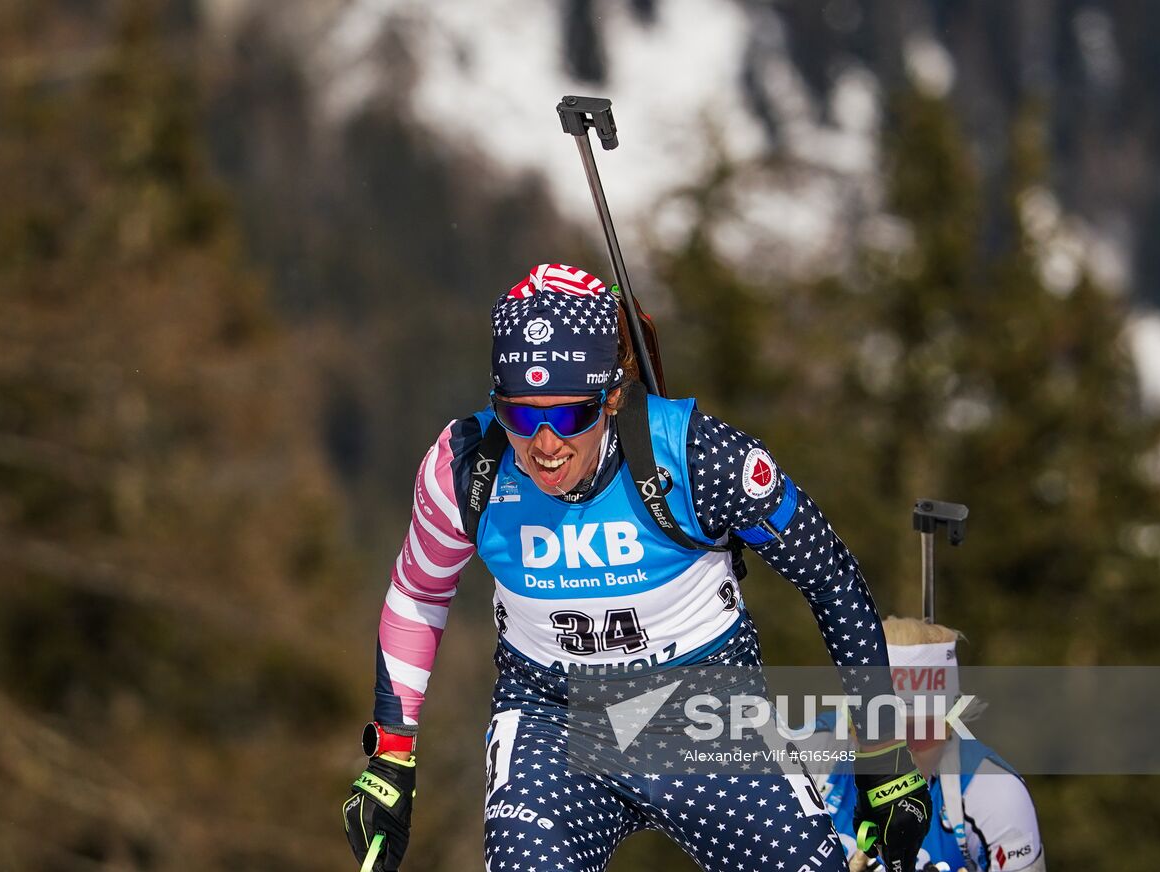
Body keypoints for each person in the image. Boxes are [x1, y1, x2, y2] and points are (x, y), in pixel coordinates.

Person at [342, 263, 931, 872]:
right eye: (520, 414)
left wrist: (885, 751)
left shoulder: (697, 456)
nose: (545, 444)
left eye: (570, 415)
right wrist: (391, 754)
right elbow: (418, 595)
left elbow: (828, 576)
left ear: (613, 395)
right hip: (554, 719)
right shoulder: (465, 467)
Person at [816, 617, 1046, 871]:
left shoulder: (993, 790)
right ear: (852, 722)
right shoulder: (811, 753)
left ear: (949, 725)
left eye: (922, 730)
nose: (901, 754)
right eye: (880, 732)